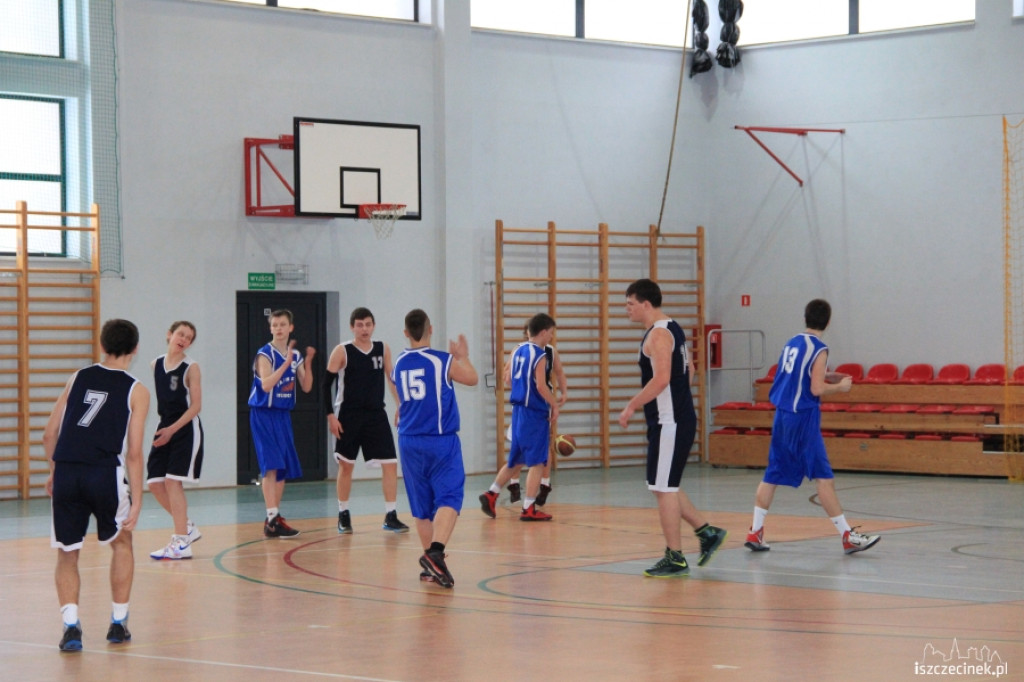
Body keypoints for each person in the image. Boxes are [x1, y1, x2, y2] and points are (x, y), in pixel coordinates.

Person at [43, 319, 151, 651]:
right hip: (104, 473)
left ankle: (71, 628)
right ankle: (118, 624)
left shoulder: (78, 377)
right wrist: (137, 499)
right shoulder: (137, 390)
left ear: (102, 345)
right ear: (135, 349)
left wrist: (54, 471)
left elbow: (49, 434)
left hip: (68, 472)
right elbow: (133, 453)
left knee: (67, 553)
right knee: (122, 544)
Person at [745, 299, 881, 555]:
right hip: (803, 418)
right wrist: (839, 387)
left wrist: (825, 375)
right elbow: (815, 389)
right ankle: (847, 536)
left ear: (805, 317)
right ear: (828, 321)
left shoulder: (792, 342)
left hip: (782, 416)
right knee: (823, 477)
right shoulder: (819, 348)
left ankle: (755, 530)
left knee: (772, 473)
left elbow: (793, 375)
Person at [618, 279, 727, 578]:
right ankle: (707, 533)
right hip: (672, 419)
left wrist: (632, 405)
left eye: (630, 303)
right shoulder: (672, 327)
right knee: (663, 485)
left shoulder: (659, 335)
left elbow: (663, 378)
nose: (626, 309)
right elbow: (689, 369)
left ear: (646, 304)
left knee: (663, 489)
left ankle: (675, 556)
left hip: (670, 422)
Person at [391, 309, 478, 588]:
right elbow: (472, 379)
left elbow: (406, 398)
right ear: (431, 329)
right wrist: (462, 356)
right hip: (440, 440)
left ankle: (431, 567)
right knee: (450, 497)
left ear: (406, 332)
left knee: (422, 507)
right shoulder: (442, 360)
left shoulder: (399, 364)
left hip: (408, 441)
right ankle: (436, 553)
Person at [323, 307, 408, 534]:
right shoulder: (342, 351)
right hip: (348, 416)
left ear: (373, 326)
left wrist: (400, 405)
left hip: (375, 415)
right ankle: (343, 514)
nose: (364, 329)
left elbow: (391, 379)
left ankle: (391, 514)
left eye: (368, 324)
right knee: (346, 466)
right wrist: (330, 415)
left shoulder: (382, 349)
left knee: (391, 464)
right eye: (359, 325)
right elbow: (325, 385)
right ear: (352, 327)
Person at [480, 313, 560, 521]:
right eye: (550, 333)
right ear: (543, 332)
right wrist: (554, 405)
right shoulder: (540, 356)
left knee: (515, 460)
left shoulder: (517, 351)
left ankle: (491, 493)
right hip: (534, 413)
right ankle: (529, 508)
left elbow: (508, 379)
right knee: (538, 462)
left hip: (517, 412)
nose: (551, 337)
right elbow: (541, 386)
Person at [247, 309, 315, 538]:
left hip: (283, 415)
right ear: (270, 328)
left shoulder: (294, 356)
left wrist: (308, 362)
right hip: (263, 414)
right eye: (274, 324)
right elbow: (266, 385)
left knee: (282, 467)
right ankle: (271, 517)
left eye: (282, 324)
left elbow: (306, 387)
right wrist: (286, 365)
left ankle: (274, 519)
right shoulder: (264, 354)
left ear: (290, 328)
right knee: (271, 465)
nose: (278, 328)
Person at [147, 321, 205, 560]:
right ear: (169, 335)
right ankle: (187, 527)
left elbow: (196, 407)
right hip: (165, 426)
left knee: (172, 483)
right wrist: (166, 429)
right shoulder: (156, 364)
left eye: (189, 337)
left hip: (185, 429)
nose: (184, 339)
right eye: (180, 334)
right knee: (154, 482)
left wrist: (172, 429)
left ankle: (181, 542)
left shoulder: (191, 367)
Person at [502, 323, 568, 507]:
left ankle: (544, 484)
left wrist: (564, 392)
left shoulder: (548, 351)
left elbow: (559, 372)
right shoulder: (521, 350)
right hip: (527, 405)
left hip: (540, 404)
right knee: (522, 447)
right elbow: (507, 375)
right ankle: (514, 485)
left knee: (542, 444)